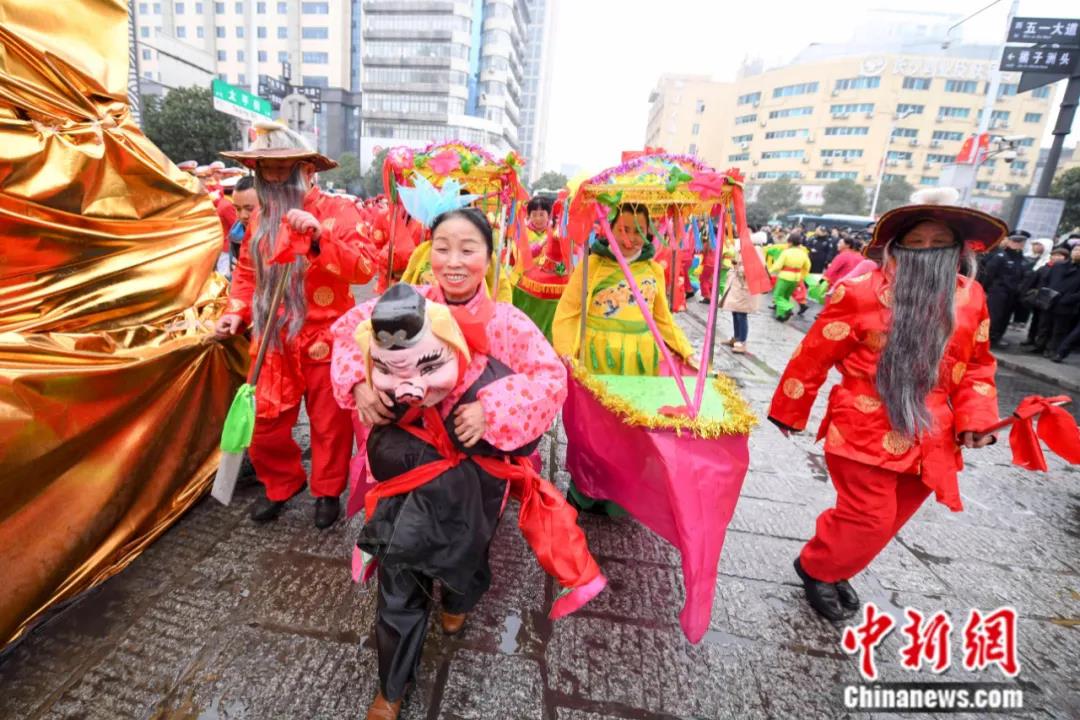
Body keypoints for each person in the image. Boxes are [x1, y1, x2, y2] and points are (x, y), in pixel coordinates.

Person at [342, 282, 603, 720]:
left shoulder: (505, 323)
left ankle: (458, 601)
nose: (455, 260)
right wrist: (358, 383)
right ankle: (391, 687)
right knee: (399, 582)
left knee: (465, 558)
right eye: (444, 246)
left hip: (474, 490)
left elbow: (549, 381)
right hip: (406, 490)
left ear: (486, 253)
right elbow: (347, 334)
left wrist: (493, 408)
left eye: (468, 247)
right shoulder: (408, 305)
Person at [768, 187, 1003, 621]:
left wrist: (977, 418)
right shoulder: (858, 292)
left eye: (938, 243)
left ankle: (838, 565)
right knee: (869, 519)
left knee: (892, 519)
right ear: (897, 248)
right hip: (864, 423)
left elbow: (979, 365)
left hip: (933, 432)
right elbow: (814, 354)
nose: (926, 251)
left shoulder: (971, 297)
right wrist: (790, 409)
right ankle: (816, 567)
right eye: (916, 242)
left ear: (956, 248)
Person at [213, 121, 378, 529]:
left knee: (329, 426)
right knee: (266, 424)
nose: (272, 175)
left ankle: (326, 490)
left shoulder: (340, 210)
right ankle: (281, 484)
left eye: (282, 167)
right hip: (273, 337)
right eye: (264, 168)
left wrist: (320, 239)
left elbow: (363, 268)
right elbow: (247, 274)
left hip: (326, 336)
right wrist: (236, 311)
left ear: (306, 168)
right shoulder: (260, 219)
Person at [551, 202, 696, 514]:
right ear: (609, 229)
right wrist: (565, 352)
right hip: (596, 355)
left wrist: (685, 349)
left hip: (639, 360)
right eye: (623, 229)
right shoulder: (591, 266)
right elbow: (569, 311)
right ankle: (587, 489)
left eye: (638, 231)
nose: (630, 238)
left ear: (649, 233)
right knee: (593, 427)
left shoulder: (654, 269)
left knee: (632, 429)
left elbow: (662, 320)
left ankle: (622, 494)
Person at [977, 232, 1032, 348]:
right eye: (1015, 241)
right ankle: (984, 339)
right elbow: (989, 274)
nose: (1017, 244)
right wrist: (984, 290)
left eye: (1020, 242)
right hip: (998, 291)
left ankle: (996, 337)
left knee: (1005, 317)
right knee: (993, 317)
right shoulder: (1000, 256)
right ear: (1009, 241)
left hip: (1012, 294)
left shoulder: (1023, 260)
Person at [1021, 245, 1070, 352]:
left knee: (1046, 324)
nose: (1056, 257)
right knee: (1035, 320)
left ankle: (1042, 344)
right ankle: (1031, 338)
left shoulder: (1066, 271)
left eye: (1060, 256)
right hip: (1040, 299)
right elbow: (1033, 281)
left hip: (1054, 301)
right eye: (1054, 255)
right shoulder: (1044, 268)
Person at [1040, 243, 1080, 359]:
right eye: (1075, 250)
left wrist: (1068, 299)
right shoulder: (1059, 266)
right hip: (1050, 300)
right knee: (1044, 325)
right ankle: (1040, 345)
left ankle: (1052, 349)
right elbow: (1046, 280)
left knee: (1059, 329)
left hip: (1067, 304)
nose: (1077, 252)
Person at [769, 232, 810, 321]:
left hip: (784, 277)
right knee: (786, 296)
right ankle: (781, 315)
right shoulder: (803, 253)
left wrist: (769, 271)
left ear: (790, 242)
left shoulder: (786, 252)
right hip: (796, 278)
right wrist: (802, 276)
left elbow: (778, 266)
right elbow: (807, 266)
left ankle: (787, 308)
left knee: (778, 296)